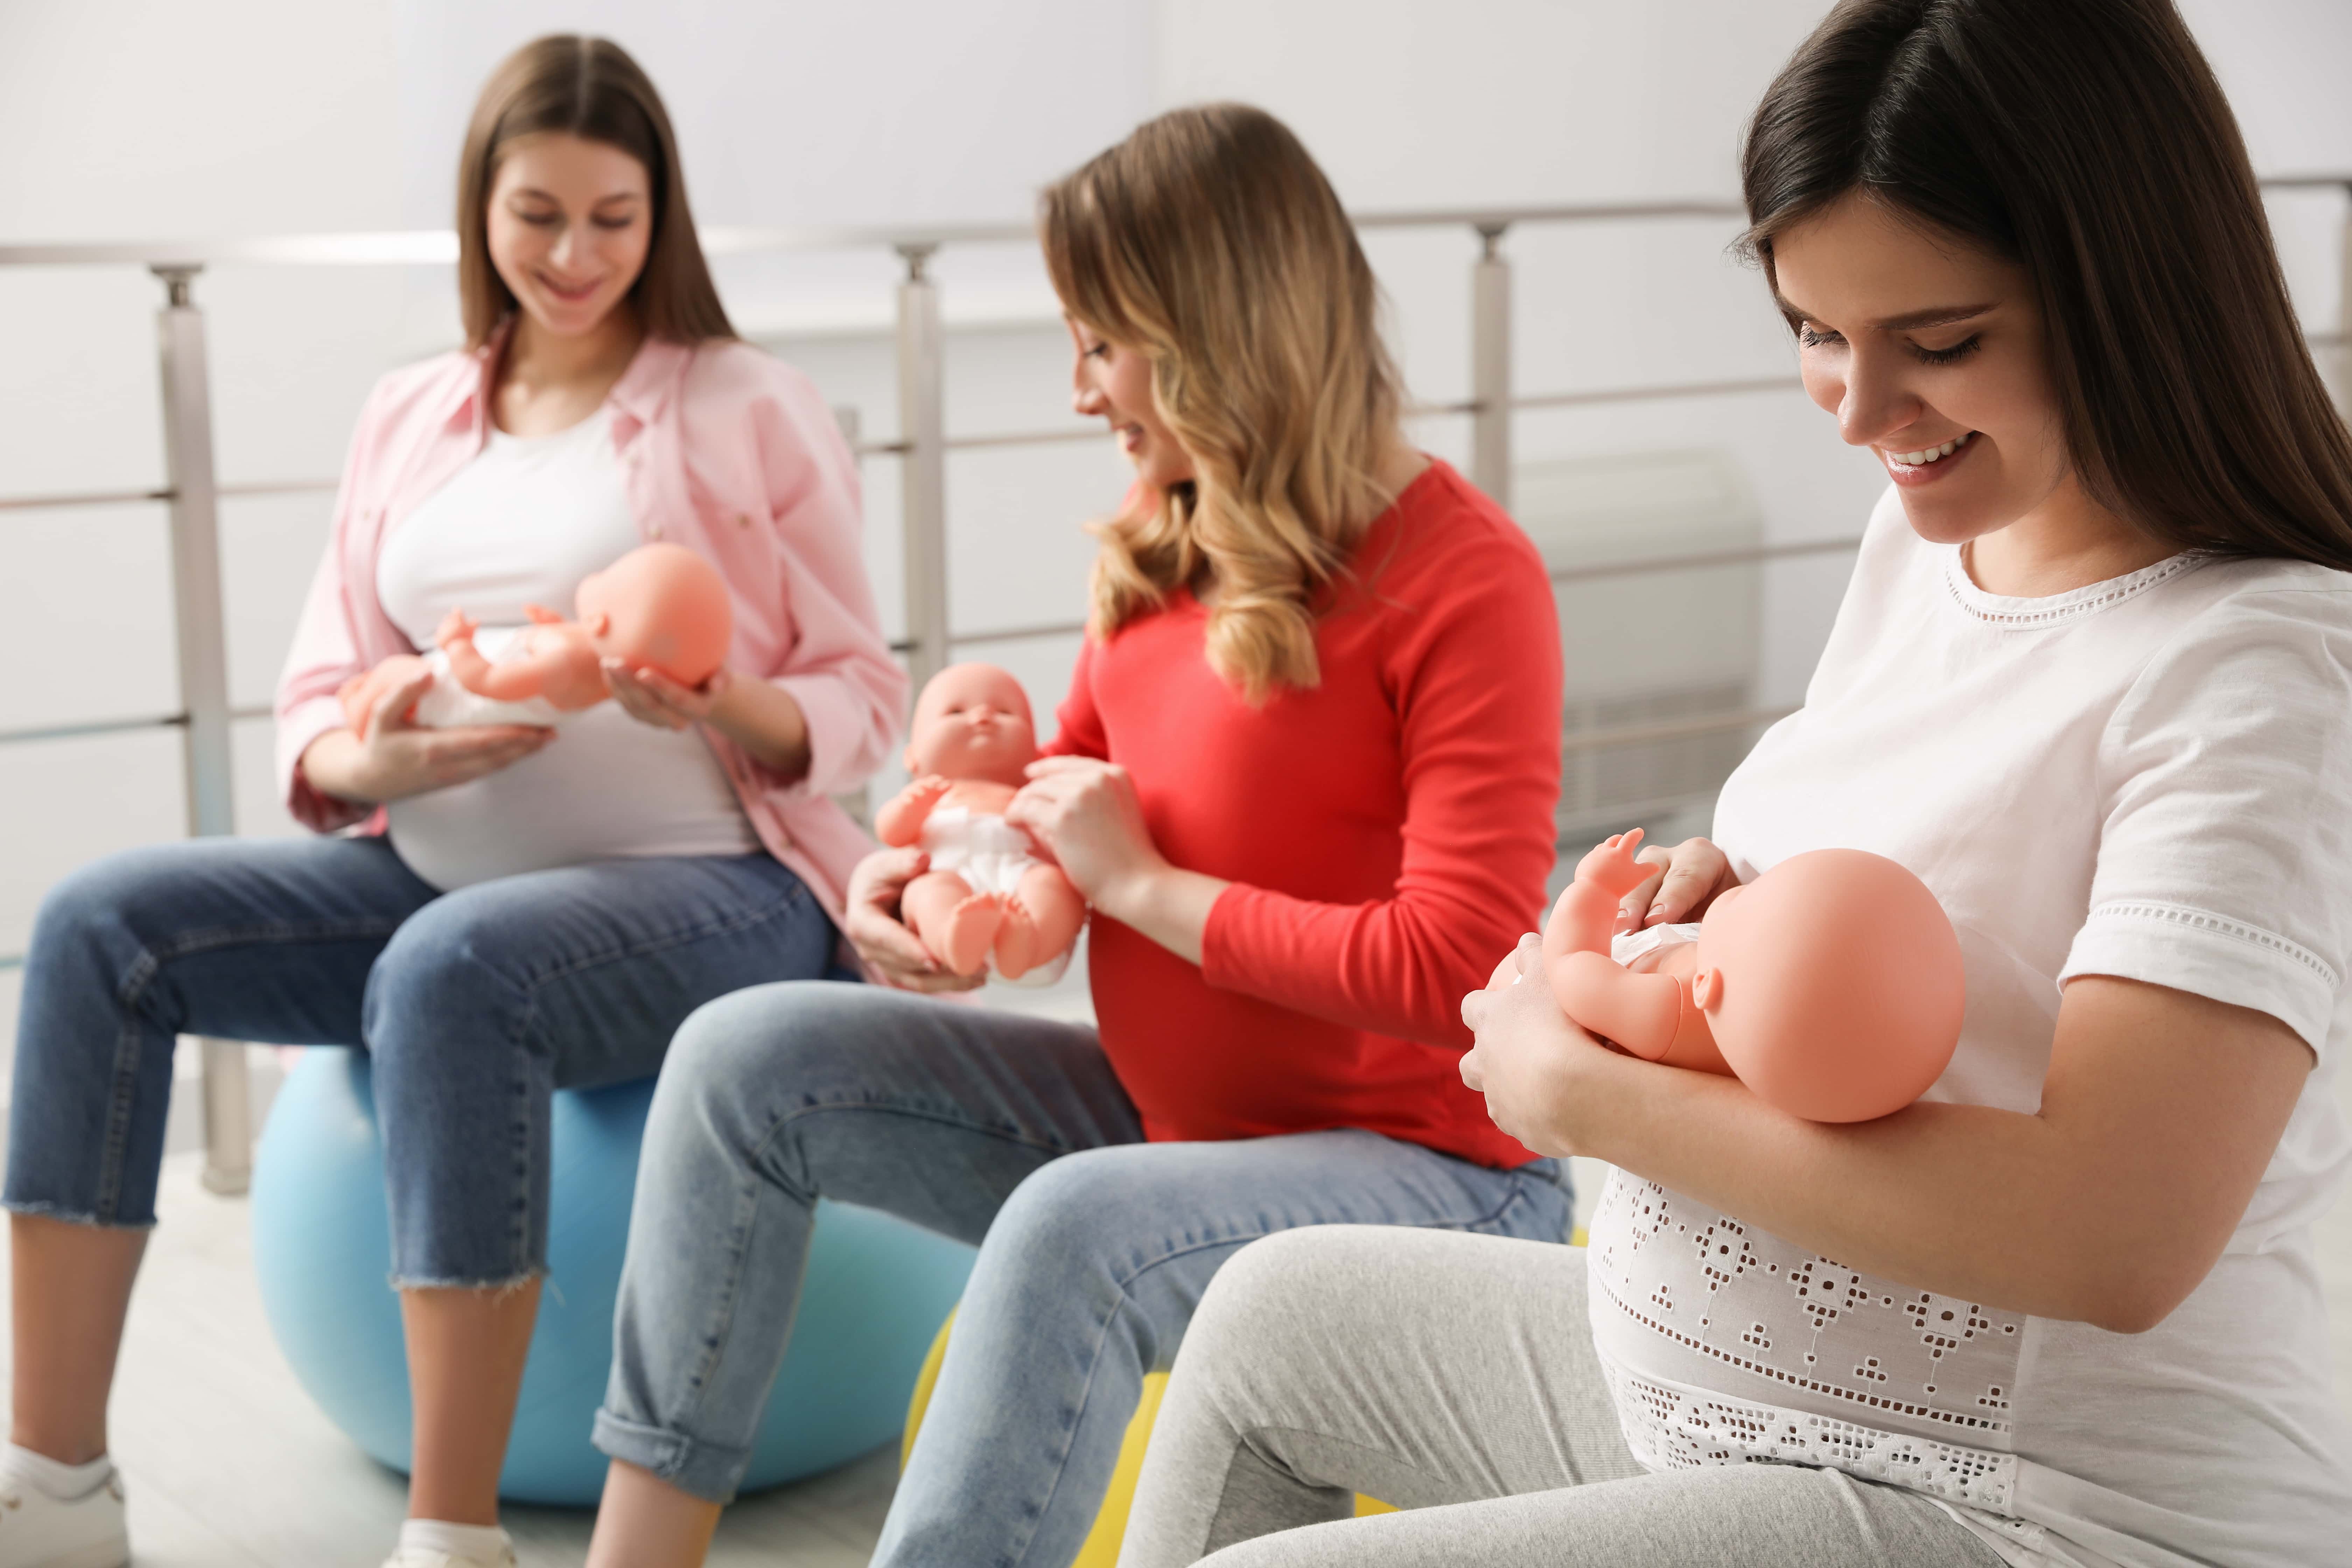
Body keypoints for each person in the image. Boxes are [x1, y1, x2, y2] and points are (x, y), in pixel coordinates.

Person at [1113, 2, 2352, 1565]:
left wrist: (1595, 1100)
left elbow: (2117, 1228)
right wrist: (1728, 901)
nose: (1856, 409)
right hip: (1730, 1410)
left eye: (1941, 343)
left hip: (2045, 1515)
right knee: (1277, 1314)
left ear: (2131, 293)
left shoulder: (2264, 669)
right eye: (1818, 333)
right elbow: (1942, 909)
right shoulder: (1928, 540)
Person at [579, 103, 1573, 1568]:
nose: (1080, 386)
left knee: (1068, 1228)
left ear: (1211, 328)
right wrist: (923, 884)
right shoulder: (1169, 536)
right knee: (746, 1060)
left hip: (1437, 1178)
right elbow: (1064, 808)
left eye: (1103, 341)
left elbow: (1464, 968)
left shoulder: (1464, 578)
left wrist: (1151, 889)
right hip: (1174, 1130)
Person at [1, 35, 901, 1568]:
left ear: (661, 214)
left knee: (454, 972)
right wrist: (382, 756)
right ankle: (54, 1489)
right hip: (429, 871)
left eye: (613, 218)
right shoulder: (413, 412)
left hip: (717, 887)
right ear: (481, 210)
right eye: (536, 213)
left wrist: (712, 699)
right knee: (98, 928)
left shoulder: (746, 403)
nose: (572, 255)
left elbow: (862, 695)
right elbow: (319, 696)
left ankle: (452, 1534)